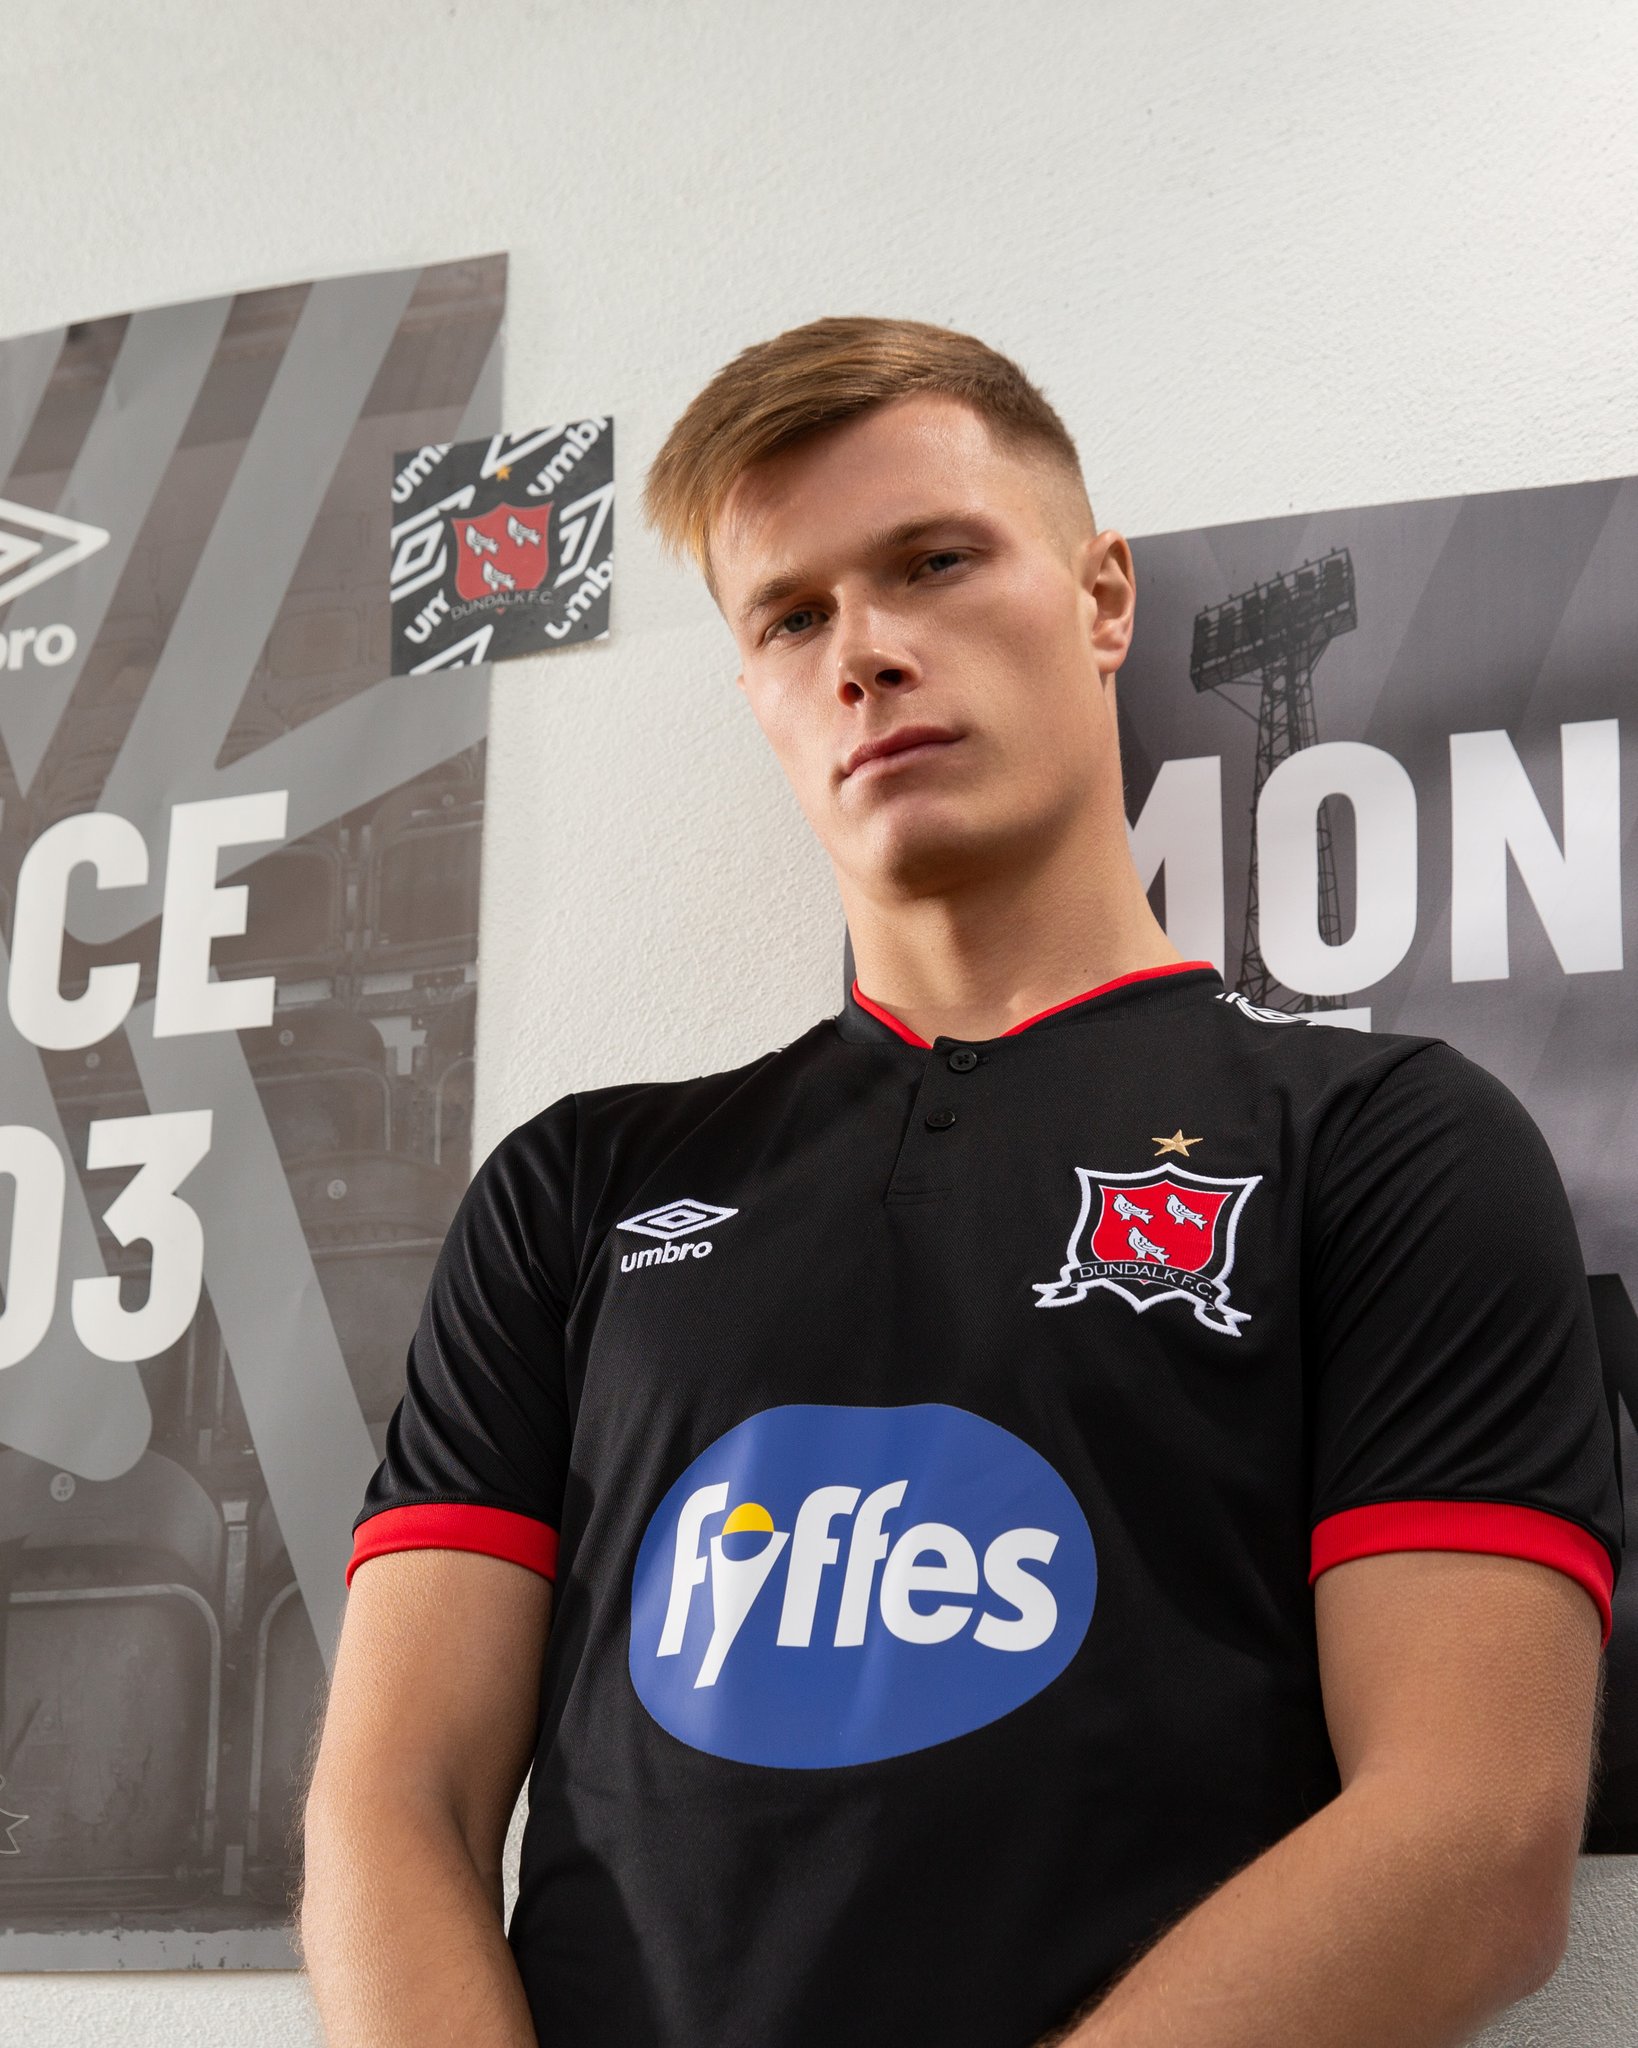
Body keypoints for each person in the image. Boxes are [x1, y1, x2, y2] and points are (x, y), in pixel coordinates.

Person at [297, 317, 1622, 2048]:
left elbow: (1473, 1840)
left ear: (1100, 596)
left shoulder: (1386, 1143)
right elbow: (388, 1807)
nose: (864, 651)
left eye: (933, 562)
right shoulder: (576, 1186)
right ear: (756, 691)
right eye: (789, 616)